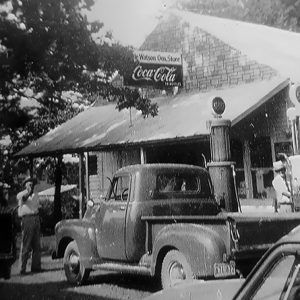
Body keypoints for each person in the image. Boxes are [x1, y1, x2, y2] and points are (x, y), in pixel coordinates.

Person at [17, 176, 41, 274]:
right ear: (26, 185)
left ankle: (36, 267)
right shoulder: (21, 194)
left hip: (35, 218)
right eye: (29, 184)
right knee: (26, 244)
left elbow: (37, 206)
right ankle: (22, 268)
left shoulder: (36, 195)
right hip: (27, 219)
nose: (32, 185)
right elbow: (23, 199)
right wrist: (28, 192)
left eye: (32, 184)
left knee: (36, 245)